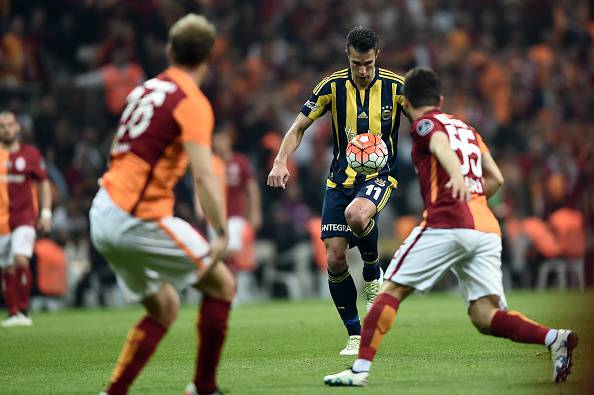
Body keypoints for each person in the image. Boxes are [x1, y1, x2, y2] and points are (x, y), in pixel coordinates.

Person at [323, 67, 578, 387]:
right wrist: (470, 191)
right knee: (484, 316)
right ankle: (555, 338)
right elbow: (496, 179)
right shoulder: (469, 130)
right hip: (485, 229)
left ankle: (358, 370)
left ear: (406, 100)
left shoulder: (425, 124)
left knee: (390, 292)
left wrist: (455, 177)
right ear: (441, 99)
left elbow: (439, 142)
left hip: (446, 223)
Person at [90, 14, 234, 395]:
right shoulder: (192, 101)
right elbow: (203, 175)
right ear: (210, 56)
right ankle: (204, 388)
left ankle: (114, 391)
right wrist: (220, 231)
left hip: (103, 209)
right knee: (221, 285)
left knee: (164, 307)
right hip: (135, 215)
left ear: (170, 51)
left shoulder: (143, 90)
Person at [267, 26, 406, 355]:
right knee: (335, 258)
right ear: (348, 55)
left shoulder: (397, 87)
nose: (362, 71)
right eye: (357, 63)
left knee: (357, 216)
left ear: (377, 57)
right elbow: (299, 125)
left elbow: (423, 119)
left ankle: (373, 272)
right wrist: (280, 161)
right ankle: (355, 335)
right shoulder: (331, 87)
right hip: (338, 181)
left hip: (379, 176)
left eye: (368, 64)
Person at [0, 111, 52, 327]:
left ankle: (23, 309)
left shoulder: (30, 154)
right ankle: (13, 313)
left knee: (21, 259)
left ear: (18, 127)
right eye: (2, 126)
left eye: (10, 125)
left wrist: (46, 213)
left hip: (25, 216)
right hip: (2, 220)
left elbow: (44, 184)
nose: (6, 129)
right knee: (6, 268)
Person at [212, 124, 262, 271]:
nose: (220, 143)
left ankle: (234, 283)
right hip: (215, 217)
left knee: (231, 249)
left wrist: (255, 213)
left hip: (236, 215)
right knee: (221, 250)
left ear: (229, 141)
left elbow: (252, 189)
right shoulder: (210, 163)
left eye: (222, 140)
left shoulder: (240, 161)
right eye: (217, 140)